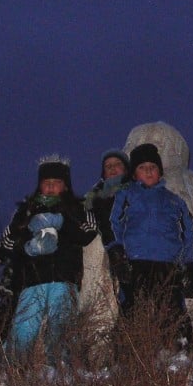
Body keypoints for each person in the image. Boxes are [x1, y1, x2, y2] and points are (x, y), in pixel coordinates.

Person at [0, 156, 98, 363]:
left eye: (56, 182)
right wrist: (29, 247)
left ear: (66, 186)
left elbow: (89, 232)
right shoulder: (26, 210)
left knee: (62, 330)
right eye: (46, 182)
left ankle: (61, 372)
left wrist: (63, 222)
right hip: (31, 281)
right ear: (39, 185)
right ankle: (12, 370)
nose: (51, 187)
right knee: (24, 329)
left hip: (65, 280)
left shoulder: (77, 208)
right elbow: (6, 242)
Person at [123, 122, 193, 344]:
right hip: (138, 265)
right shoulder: (125, 193)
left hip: (176, 266)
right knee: (137, 314)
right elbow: (114, 228)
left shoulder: (186, 182)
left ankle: (183, 351)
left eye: (159, 143)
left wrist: (188, 258)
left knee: (180, 315)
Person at [107, 143, 193, 352]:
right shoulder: (127, 195)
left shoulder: (174, 201)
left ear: (160, 171)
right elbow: (113, 222)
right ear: (134, 174)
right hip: (136, 263)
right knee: (132, 310)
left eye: (153, 167)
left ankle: (182, 357)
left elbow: (189, 233)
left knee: (173, 312)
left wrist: (190, 263)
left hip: (168, 266)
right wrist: (116, 251)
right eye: (142, 167)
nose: (148, 170)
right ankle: (126, 359)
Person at [79, 150, 131, 366]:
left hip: (132, 252)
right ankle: (99, 359)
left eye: (117, 164)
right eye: (108, 166)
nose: (112, 169)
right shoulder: (93, 197)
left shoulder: (135, 192)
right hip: (100, 255)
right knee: (101, 304)